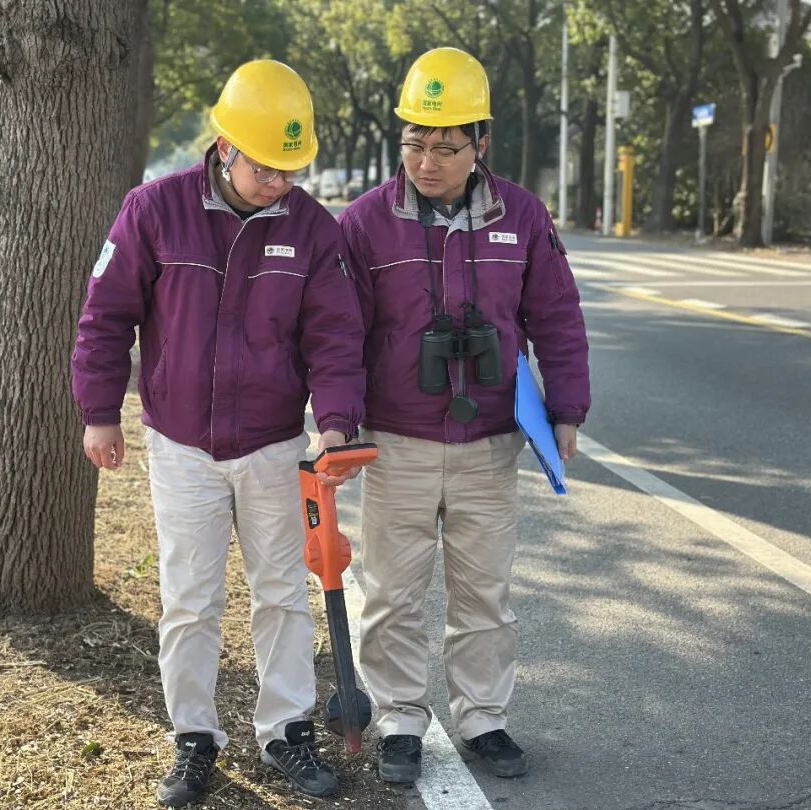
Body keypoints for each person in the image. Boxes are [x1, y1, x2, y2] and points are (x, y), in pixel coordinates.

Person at [71, 60, 365, 806]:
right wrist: (99, 411)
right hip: (182, 446)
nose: (279, 183)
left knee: (282, 595)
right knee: (190, 599)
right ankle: (194, 738)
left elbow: (335, 335)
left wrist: (336, 424)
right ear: (226, 146)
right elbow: (105, 317)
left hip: (273, 443)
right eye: (267, 167)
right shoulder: (154, 210)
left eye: (292, 169)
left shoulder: (313, 229)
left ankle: (287, 730)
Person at [338, 47, 590, 784]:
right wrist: (339, 421)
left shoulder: (523, 216)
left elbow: (557, 316)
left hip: (489, 443)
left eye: (445, 147)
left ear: (481, 142)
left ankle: (483, 718)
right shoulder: (365, 223)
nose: (426, 161)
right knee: (393, 593)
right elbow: (337, 334)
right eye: (414, 142)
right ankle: (399, 720)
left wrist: (567, 408)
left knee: (485, 592)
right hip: (397, 443)